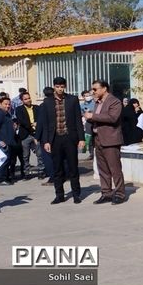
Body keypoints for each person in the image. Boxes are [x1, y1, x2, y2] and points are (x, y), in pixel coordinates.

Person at [38, 77, 85, 205]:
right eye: (57, 86)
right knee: (57, 168)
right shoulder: (47, 102)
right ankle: (59, 195)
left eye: (62, 86)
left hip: (70, 137)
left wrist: (81, 138)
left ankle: (76, 194)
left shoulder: (72, 100)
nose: (60, 89)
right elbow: (46, 123)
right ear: (54, 87)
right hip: (55, 139)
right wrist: (46, 141)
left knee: (73, 167)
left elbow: (78, 120)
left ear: (65, 87)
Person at [84, 80, 126, 205]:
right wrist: (89, 118)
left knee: (115, 169)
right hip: (98, 138)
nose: (93, 92)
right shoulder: (97, 103)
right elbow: (98, 118)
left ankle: (120, 193)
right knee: (102, 169)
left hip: (111, 140)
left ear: (104, 89)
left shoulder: (114, 101)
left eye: (95, 89)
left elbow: (113, 118)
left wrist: (93, 116)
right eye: (92, 89)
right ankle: (106, 192)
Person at [15, 92, 43, 177]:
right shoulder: (19, 109)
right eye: (25, 99)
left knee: (39, 154)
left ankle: (41, 171)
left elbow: (40, 119)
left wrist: (37, 124)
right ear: (22, 100)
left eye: (29, 98)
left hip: (36, 134)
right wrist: (32, 125)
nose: (28, 100)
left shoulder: (37, 108)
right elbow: (22, 121)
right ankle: (26, 172)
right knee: (25, 155)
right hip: (25, 134)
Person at [0, 97, 16, 185]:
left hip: (8, 141)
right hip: (2, 141)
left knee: (7, 160)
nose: (8, 106)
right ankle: (0, 179)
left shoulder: (7, 114)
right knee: (2, 161)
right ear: (0, 104)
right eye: (5, 104)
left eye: (9, 104)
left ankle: (5, 177)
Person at [80, 90, 95, 160]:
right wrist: (84, 114)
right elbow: (80, 114)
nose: (88, 97)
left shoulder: (94, 103)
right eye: (86, 96)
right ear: (83, 97)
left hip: (95, 122)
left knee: (96, 138)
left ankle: (97, 153)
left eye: (89, 95)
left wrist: (91, 112)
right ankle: (91, 153)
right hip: (88, 123)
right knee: (89, 138)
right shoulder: (82, 105)